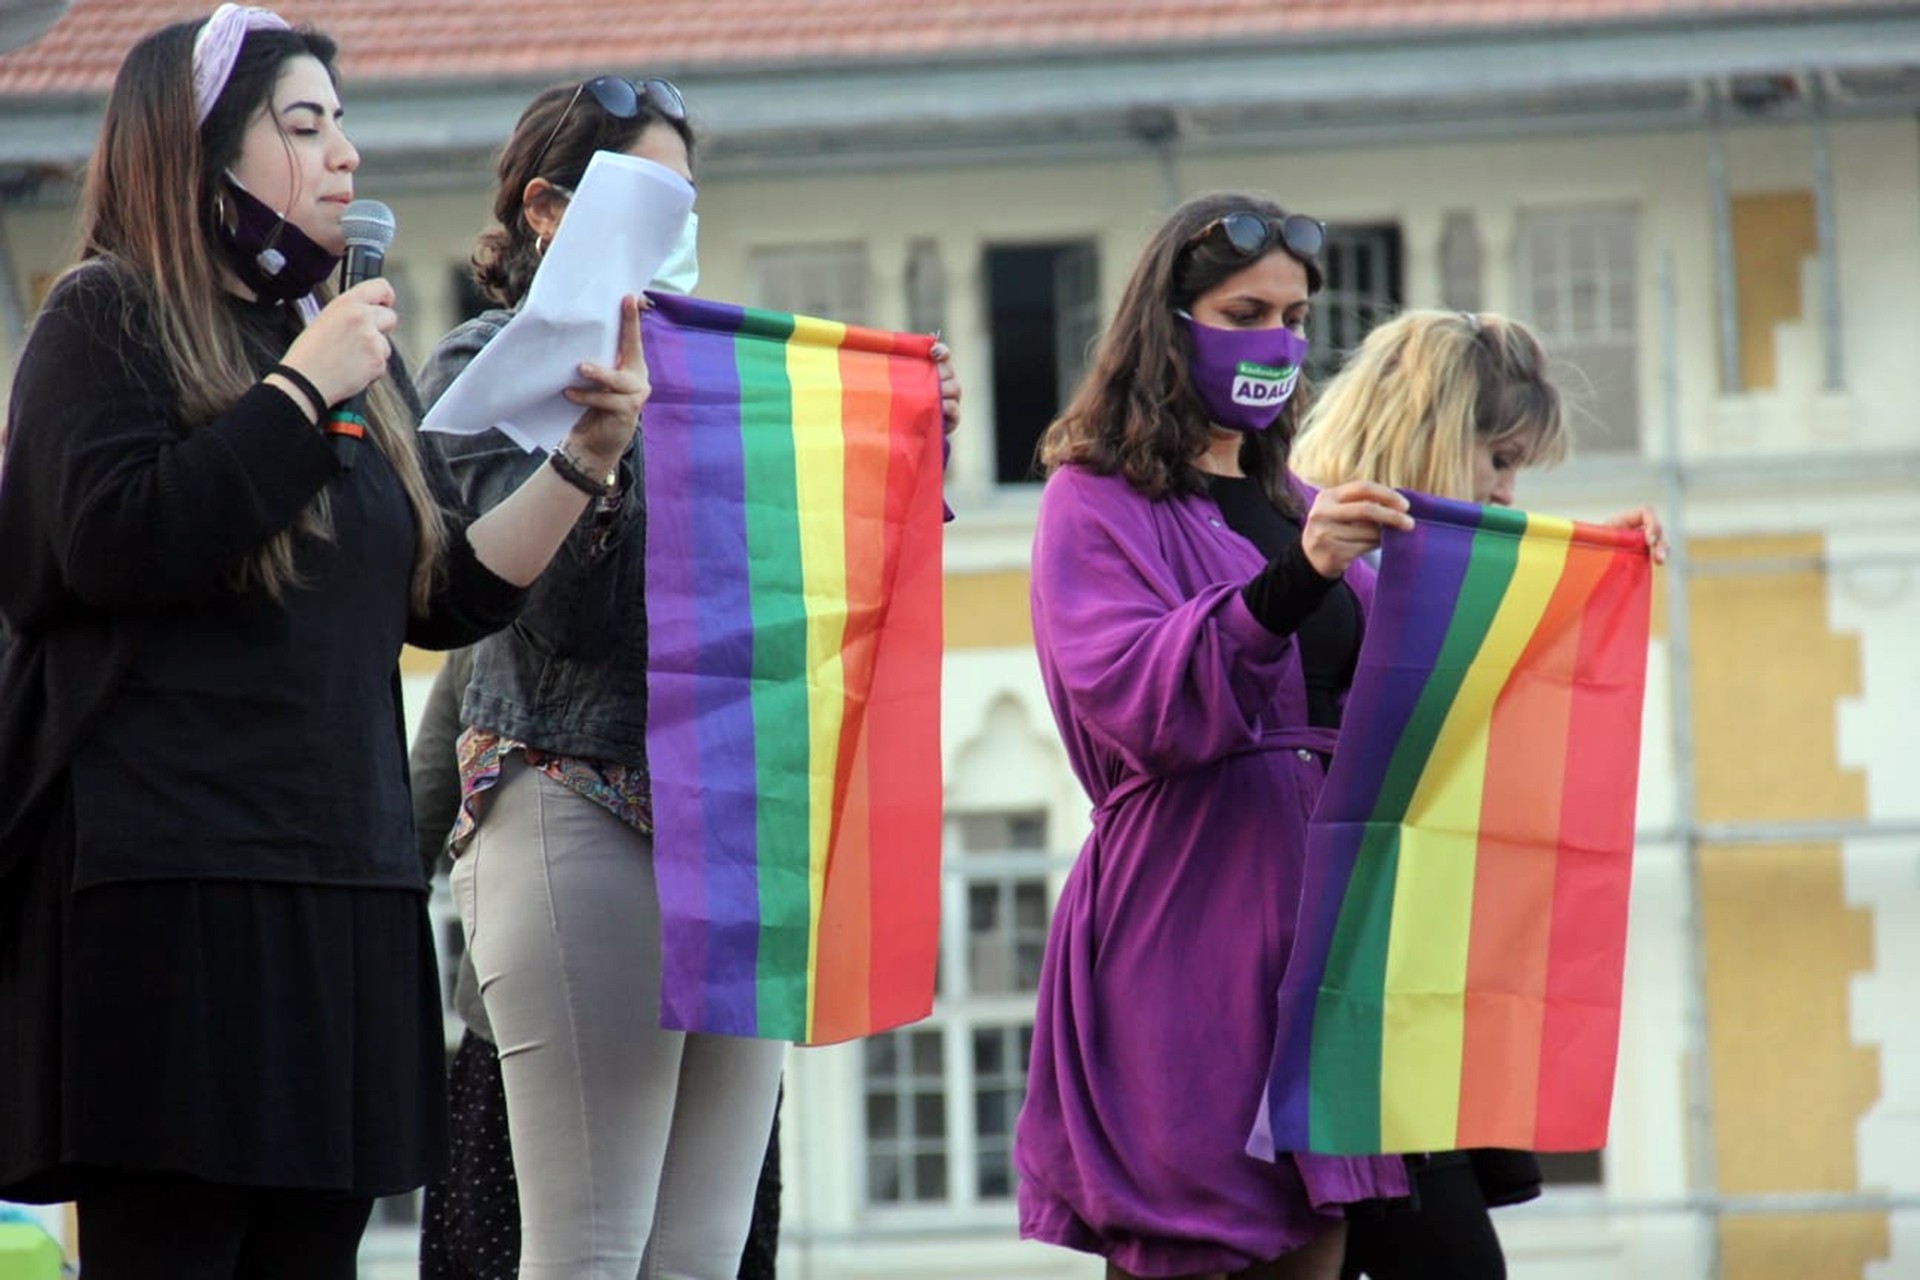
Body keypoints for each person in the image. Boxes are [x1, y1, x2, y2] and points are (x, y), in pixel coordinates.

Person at [0, 7, 652, 1277]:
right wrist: (298, 394)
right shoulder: (107, 318)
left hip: (342, 886)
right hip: (174, 891)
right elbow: (103, 542)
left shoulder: (346, 341)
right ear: (195, 153)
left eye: (343, 123)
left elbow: (442, 593)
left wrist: (583, 461)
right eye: (305, 125)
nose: (345, 154)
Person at [415, 75, 961, 1280]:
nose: (684, 226)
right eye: (657, 197)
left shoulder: (716, 376)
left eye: (690, 200)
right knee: (592, 1248)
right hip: (579, 804)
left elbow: (818, 600)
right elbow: (541, 608)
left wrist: (906, 447)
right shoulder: (487, 362)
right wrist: (596, 457)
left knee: (703, 1253)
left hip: (737, 827)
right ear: (550, 209)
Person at [1013, 193, 1419, 1280]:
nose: (1280, 341)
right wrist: (1300, 579)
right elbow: (1137, 695)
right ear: (1173, 321)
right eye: (1247, 310)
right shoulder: (1093, 501)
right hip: (1182, 922)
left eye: (1294, 317)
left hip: (1318, 939)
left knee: (1316, 1238)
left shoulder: (1301, 502)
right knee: (1192, 1237)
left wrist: (1582, 564)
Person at [1288, 308, 1665, 1280]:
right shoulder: (1319, 559)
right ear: (1431, 435)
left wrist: (1591, 571)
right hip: (1346, 995)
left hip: (1400, 995)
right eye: (1498, 460)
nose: (1507, 491)